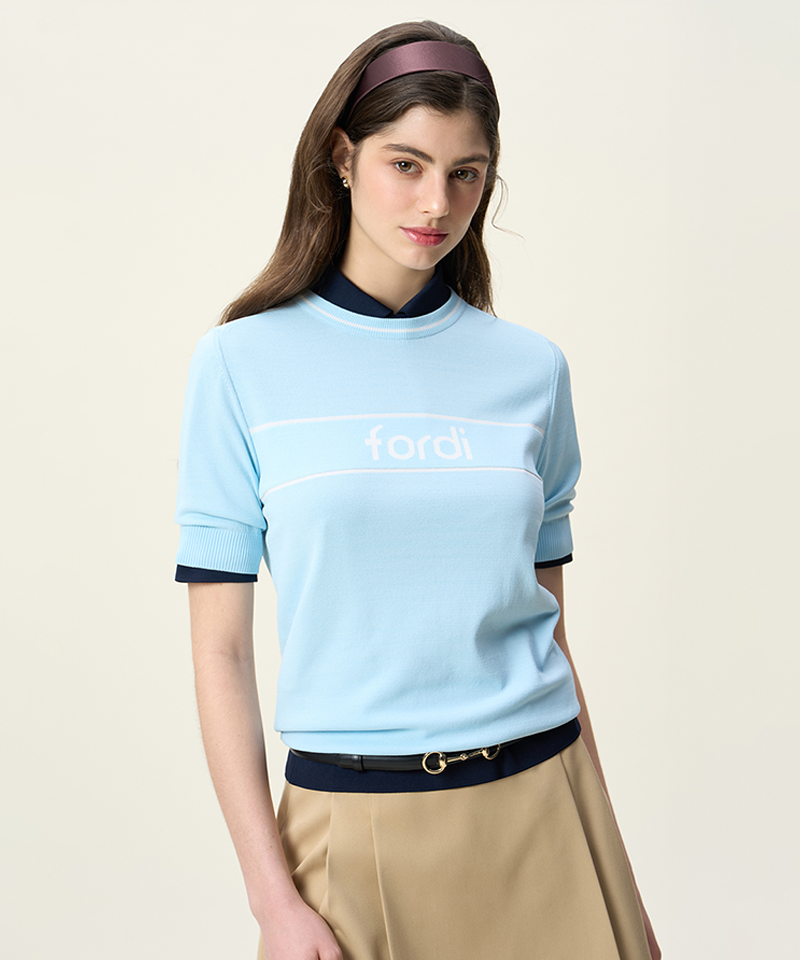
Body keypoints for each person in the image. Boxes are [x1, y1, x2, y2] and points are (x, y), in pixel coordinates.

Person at [175, 20, 661, 960]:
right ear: (342, 158)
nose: (437, 203)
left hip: (547, 811)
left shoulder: (532, 371)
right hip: (351, 828)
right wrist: (273, 903)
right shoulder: (239, 364)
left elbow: (552, 635)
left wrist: (618, 886)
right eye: (407, 164)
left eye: (466, 173)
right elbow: (220, 654)